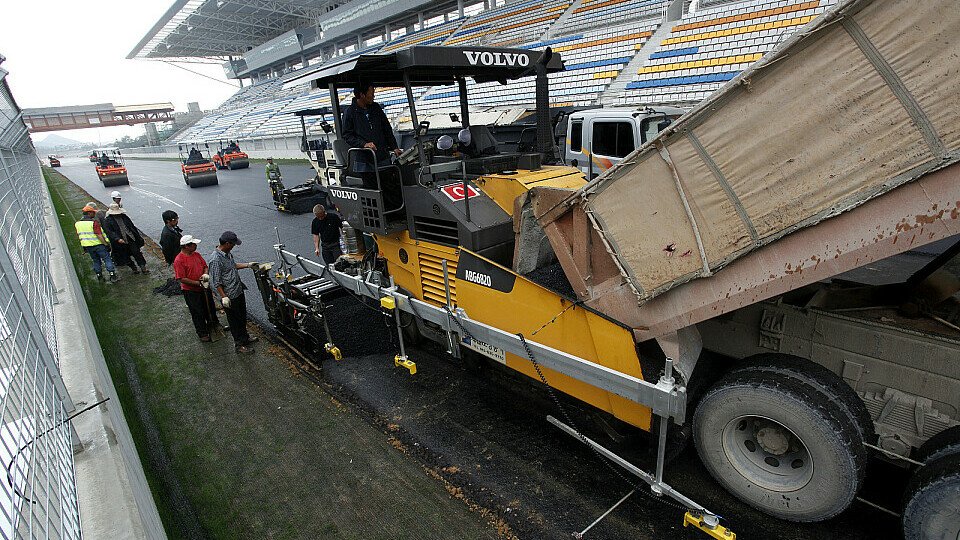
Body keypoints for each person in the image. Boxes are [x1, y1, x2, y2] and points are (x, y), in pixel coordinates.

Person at [342, 82, 404, 207]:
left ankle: (396, 213)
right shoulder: (350, 112)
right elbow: (347, 135)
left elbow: (386, 129)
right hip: (365, 161)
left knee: (390, 186)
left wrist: (394, 147)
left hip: (382, 156)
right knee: (372, 190)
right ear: (362, 95)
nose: (373, 96)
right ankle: (378, 217)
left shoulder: (376, 108)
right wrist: (364, 144)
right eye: (371, 94)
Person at [208, 231, 258, 354]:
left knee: (241, 316)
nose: (234, 246)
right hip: (229, 295)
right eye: (233, 244)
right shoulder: (215, 259)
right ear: (227, 243)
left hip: (238, 290)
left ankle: (245, 337)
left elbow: (233, 266)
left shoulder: (227, 254)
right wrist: (224, 297)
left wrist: (248, 265)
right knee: (234, 320)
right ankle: (239, 345)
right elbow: (216, 281)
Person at [173, 235, 221, 342]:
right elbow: (181, 278)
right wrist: (197, 283)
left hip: (204, 287)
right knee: (197, 312)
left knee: (210, 307)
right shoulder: (179, 260)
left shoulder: (196, 255)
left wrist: (205, 276)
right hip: (191, 291)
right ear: (186, 246)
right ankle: (202, 332)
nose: (195, 246)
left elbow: (205, 266)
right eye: (193, 244)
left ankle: (214, 324)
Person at [102, 203, 148, 274]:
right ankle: (134, 268)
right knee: (125, 256)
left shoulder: (124, 217)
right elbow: (109, 232)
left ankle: (143, 268)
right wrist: (117, 239)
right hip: (119, 242)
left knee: (137, 253)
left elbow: (132, 226)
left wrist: (137, 236)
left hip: (130, 238)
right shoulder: (108, 220)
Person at [75, 205, 117, 282]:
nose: (94, 214)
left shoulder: (77, 224)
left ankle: (99, 276)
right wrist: (106, 244)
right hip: (99, 245)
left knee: (96, 261)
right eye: (93, 212)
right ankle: (112, 275)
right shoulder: (93, 223)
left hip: (88, 247)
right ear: (89, 213)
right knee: (107, 259)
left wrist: (84, 248)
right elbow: (99, 235)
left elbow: (81, 236)